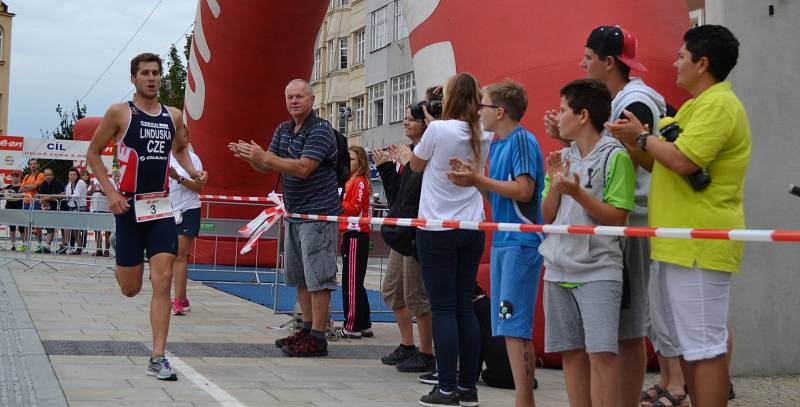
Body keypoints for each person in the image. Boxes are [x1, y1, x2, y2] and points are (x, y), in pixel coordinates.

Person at [605, 25, 750, 407]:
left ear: (703, 64)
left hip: (701, 242)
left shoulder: (719, 104)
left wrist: (641, 137)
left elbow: (685, 161)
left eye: (682, 57)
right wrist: (634, 142)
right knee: (690, 346)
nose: (675, 62)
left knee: (704, 348)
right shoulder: (691, 106)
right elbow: (665, 165)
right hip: (677, 243)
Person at [543, 25, 671, 407]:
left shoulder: (636, 102)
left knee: (624, 334)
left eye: (588, 56)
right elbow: (551, 209)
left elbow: (643, 163)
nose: (583, 63)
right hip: (566, 257)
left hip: (624, 236)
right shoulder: (579, 145)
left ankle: (643, 394)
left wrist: (581, 180)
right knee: (581, 347)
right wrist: (566, 154)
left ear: (609, 61)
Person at [86, 52, 207, 381]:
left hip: (161, 207)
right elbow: (93, 153)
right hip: (127, 207)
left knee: (164, 279)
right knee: (130, 288)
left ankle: (158, 356)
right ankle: (124, 262)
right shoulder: (119, 113)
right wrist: (110, 193)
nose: (152, 78)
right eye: (145, 73)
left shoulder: (174, 116)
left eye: (156, 73)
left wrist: (194, 171)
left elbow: (180, 148)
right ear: (134, 79)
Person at [539, 79, 636, 407]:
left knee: (602, 355)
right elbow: (547, 215)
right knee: (571, 352)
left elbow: (617, 218)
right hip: (557, 267)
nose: (557, 116)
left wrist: (578, 192)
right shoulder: (563, 156)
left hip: (598, 270)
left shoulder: (615, 157)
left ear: (582, 115)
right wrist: (554, 185)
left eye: (564, 109)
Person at [448, 79, 544, 407]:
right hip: (503, 243)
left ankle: (524, 399)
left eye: (483, 104)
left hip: (521, 243)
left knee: (515, 325)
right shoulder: (498, 145)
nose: (478, 110)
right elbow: (499, 193)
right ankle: (523, 396)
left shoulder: (521, 141)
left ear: (500, 111)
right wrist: (473, 180)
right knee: (506, 324)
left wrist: (476, 178)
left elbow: (523, 190)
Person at [229, 78, 341, 358]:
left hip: (318, 214)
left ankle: (318, 334)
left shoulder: (321, 130)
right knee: (300, 277)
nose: (294, 101)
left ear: (312, 100)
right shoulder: (283, 129)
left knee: (319, 277)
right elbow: (267, 166)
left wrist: (263, 157)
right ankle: (305, 329)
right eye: (290, 97)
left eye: (300, 96)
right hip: (294, 213)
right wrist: (251, 157)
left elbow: (303, 168)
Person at [408, 72, 491, 407]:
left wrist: (432, 123)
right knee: (462, 307)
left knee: (442, 308)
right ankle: (467, 385)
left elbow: (415, 164)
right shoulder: (482, 134)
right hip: (471, 226)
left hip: (437, 226)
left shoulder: (439, 130)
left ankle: (445, 388)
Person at [373, 105, 435, 374]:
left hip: (419, 231)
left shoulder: (427, 153)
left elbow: (424, 191)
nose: (406, 123)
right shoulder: (409, 154)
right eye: (405, 119)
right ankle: (407, 344)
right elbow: (400, 198)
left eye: (412, 119)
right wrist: (387, 169)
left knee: (417, 295)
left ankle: (427, 351)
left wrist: (410, 163)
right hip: (403, 231)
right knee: (393, 290)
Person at [336, 146, 373, 339]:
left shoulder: (358, 182)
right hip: (351, 233)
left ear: (361, 162)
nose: (348, 163)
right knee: (355, 281)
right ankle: (364, 323)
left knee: (350, 282)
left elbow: (354, 207)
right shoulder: (350, 181)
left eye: (351, 159)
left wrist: (335, 201)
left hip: (356, 233)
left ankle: (351, 325)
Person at [168, 136, 205, 316]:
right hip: (167, 210)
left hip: (189, 208)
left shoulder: (194, 159)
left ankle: (180, 300)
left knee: (180, 254)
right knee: (168, 255)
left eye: (183, 135)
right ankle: (172, 297)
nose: (179, 139)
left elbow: (198, 187)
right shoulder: (164, 157)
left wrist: (179, 177)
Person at [36, 168, 66, 254]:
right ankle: (47, 246)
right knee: (50, 227)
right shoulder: (43, 183)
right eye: (45, 175)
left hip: (62, 208)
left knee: (64, 228)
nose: (47, 177)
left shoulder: (57, 182)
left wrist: (46, 198)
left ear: (53, 175)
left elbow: (60, 195)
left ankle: (64, 246)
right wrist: (45, 200)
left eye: (49, 175)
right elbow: (41, 196)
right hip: (51, 208)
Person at [18, 158, 44, 251]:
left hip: (36, 202)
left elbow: (35, 186)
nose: (33, 165)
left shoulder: (40, 175)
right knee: (26, 224)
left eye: (34, 164)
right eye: (31, 164)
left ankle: (39, 244)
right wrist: (29, 187)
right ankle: (25, 244)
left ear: (38, 165)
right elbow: (21, 188)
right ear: (29, 166)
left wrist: (26, 187)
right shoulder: (26, 176)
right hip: (26, 202)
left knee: (38, 225)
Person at [88, 172, 115, 257]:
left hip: (106, 209)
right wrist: (92, 188)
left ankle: (106, 251)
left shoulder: (110, 181)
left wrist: (101, 191)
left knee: (107, 231)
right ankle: (98, 249)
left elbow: (113, 193)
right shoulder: (93, 180)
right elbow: (87, 194)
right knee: (97, 230)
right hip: (95, 208)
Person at [64, 167, 88, 255]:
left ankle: (80, 247)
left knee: (78, 228)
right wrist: (69, 196)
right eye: (70, 174)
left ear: (77, 175)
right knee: (74, 228)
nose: (72, 176)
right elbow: (67, 196)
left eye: (74, 174)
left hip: (80, 206)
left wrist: (68, 196)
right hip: (72, 205)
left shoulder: (80, 182)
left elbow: (76, 195)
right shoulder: (69, 184)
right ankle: (78, 247)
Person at [1, 171, 24, 250]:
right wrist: (17, 197)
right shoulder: (8, 187)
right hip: (9, 209)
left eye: (16, 176)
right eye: (13, 177)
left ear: (19, 177)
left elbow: (23, 195)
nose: (15, 178)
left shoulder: (22, 186)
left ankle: (24, 244)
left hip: (20, 209)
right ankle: (13, 245)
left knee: (22, 227)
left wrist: (12, 196)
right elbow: (7, 198)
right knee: (12, 227)